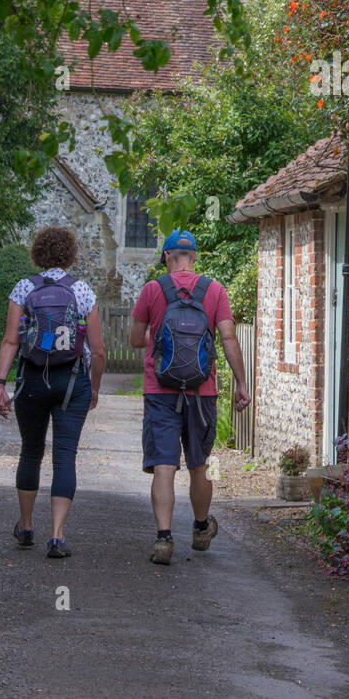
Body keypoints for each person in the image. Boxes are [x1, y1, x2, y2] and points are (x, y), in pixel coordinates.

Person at [129, 229, 251, 565]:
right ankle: (200, 529)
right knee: (200, 465)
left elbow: (135, 340)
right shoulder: (214, 290)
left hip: (159, 391)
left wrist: (158, 334)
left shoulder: (153, 289)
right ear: (194, 256)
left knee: (164, 467)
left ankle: (164, 539)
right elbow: (228, 339)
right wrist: (241, 382)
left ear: (167, 256)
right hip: (202, 391)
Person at [0, 226, 105, 558]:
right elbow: (98, 351)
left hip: (31, 380)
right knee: (65, 455)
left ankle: (26, 525)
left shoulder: (24, 288)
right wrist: (94, 387)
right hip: (72, 382)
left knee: (30, 451)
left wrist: (0, 383)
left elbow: (12, 341)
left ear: (38, 254)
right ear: (70, 255)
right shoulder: (83, 291)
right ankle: (56, 536)